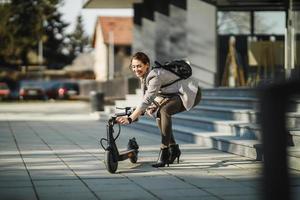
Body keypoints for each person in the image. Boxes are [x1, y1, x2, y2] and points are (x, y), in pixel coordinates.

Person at [116, 52, 202, 168]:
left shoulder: (154, 76)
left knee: (164, 111)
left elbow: (146, 100)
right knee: (158, 113)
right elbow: (148, 99)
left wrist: (130, 118)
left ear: (147, 65)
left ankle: (164, 151)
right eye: (134, 66)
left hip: (190, 93)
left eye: (139, 66)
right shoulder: (145, 77)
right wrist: (148, 107)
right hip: (174, 94)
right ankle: (174, 149)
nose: (136, 69)